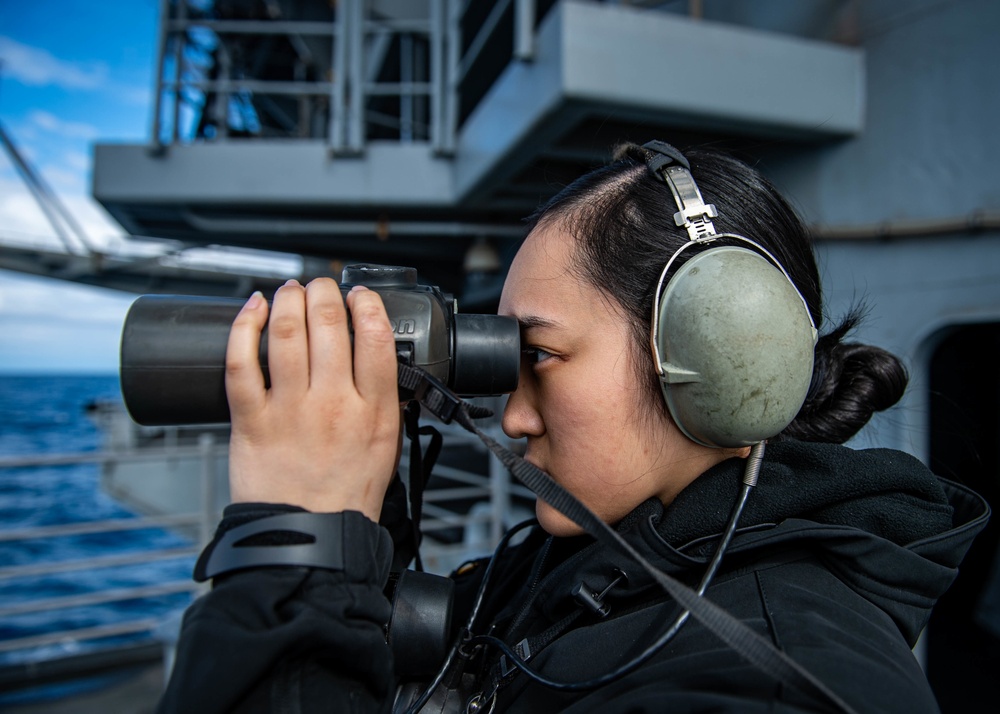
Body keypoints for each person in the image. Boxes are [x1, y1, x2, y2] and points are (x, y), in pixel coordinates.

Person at [157, 142, 989, 713]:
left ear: (724, 352)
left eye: (541, 355)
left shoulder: (771, 681)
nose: (513, 415)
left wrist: (297, 544)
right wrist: (359, 525)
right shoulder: (614, 558)